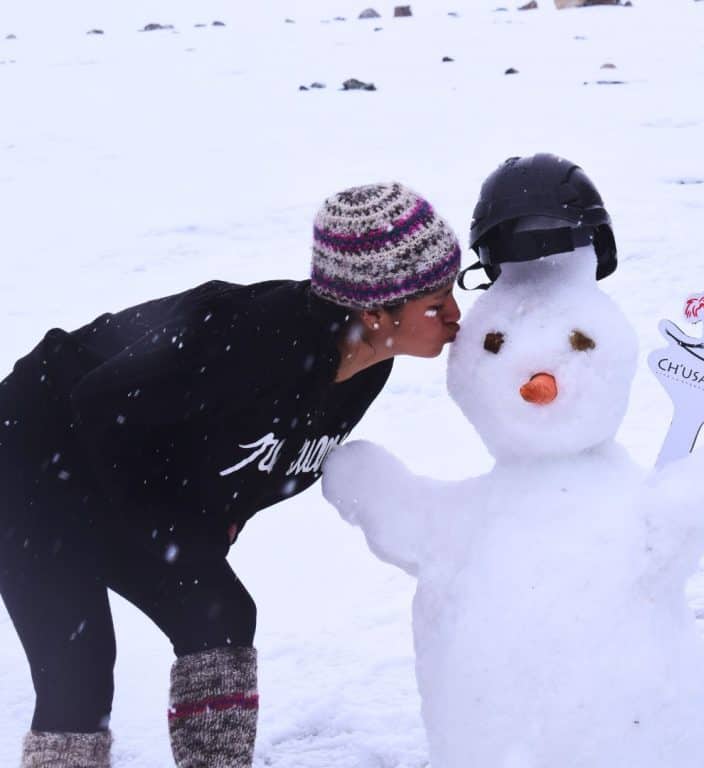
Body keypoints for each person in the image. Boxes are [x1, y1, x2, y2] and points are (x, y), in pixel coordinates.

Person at [0, 182, 462, 768]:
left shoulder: (364, 371)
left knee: (219, 614)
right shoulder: (252, 340)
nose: (454, 316)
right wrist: (175, 526)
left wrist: (216, 517)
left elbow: (257, 456)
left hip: (121, 471)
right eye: (434, 304)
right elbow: (100, 404)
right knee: (78, 674)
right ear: (373, 311)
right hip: (31, 455)